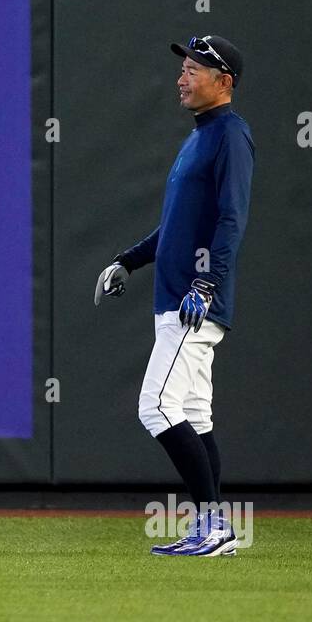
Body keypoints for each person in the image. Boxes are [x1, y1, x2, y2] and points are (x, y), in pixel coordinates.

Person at [94, 34, 255, 558]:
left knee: (156, 407)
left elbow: (232, 219)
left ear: (223, 81)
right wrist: (128, 260)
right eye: (182, 68)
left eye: (193, 70)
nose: (181, 78)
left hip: (194, 299)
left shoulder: (230, 134)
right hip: (176, 296)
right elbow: (175, 227)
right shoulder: (199, 137)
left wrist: (208, 284)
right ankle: (219, 530)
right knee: (194, 414)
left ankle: (213, 525)